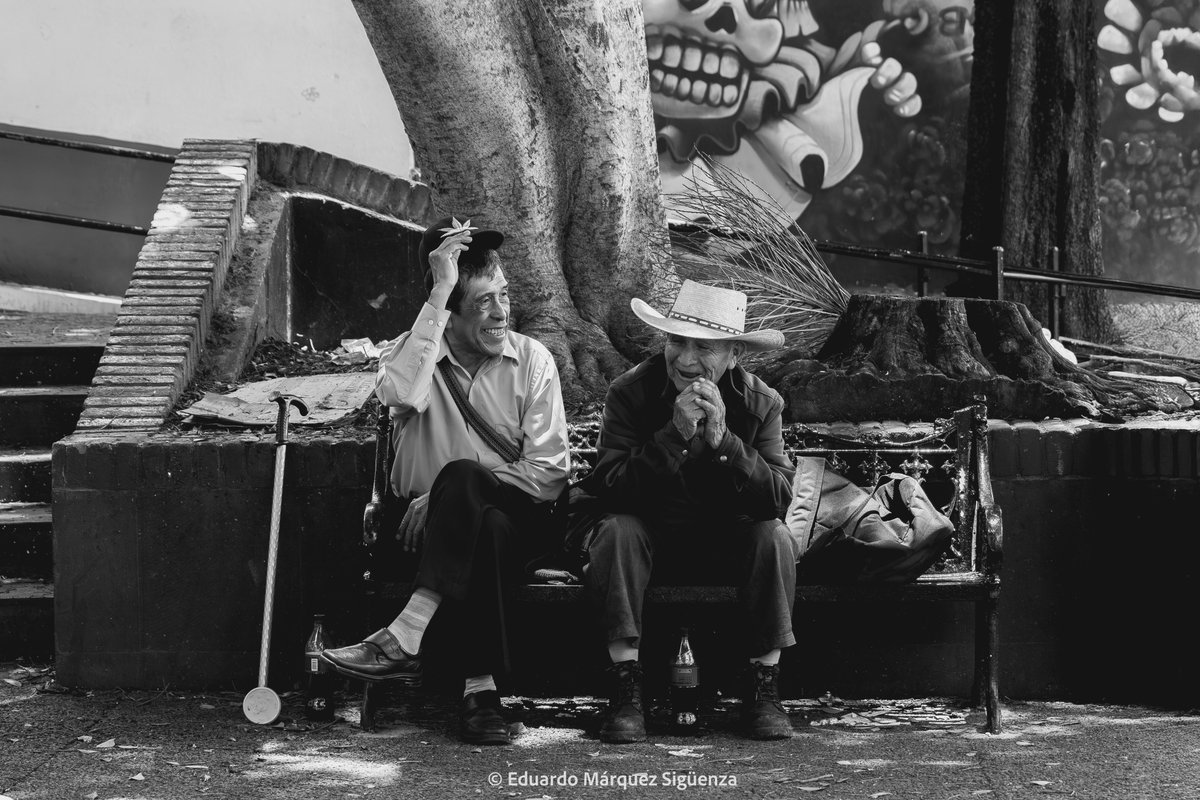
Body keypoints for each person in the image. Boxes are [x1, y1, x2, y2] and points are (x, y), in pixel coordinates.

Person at [320, 215, 571, 745]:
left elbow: (548, 474)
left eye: (503, 295)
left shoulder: (532, 361)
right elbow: (402, 397)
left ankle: (408, 630)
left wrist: (446, 494)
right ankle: (480, 695)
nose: (501, 312)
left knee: (468, 486)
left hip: (520, 523)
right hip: (423, 538)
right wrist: (438, 294)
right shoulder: (414, 358)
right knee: (489, 531)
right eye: (482, 301)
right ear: (450, 313)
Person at [579, 279, 798, 742]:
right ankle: (625, 690)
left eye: (704, 347)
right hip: (650, 543)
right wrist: (673, 436)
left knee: (772, 536)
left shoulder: (762, 403)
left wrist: (725, 443)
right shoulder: (630, 392)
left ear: (734, 354)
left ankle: (764, 690)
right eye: (676, 341)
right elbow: (610, 488)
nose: (685, 359)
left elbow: (777, 499)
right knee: (617, 530)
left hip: (724, 544)